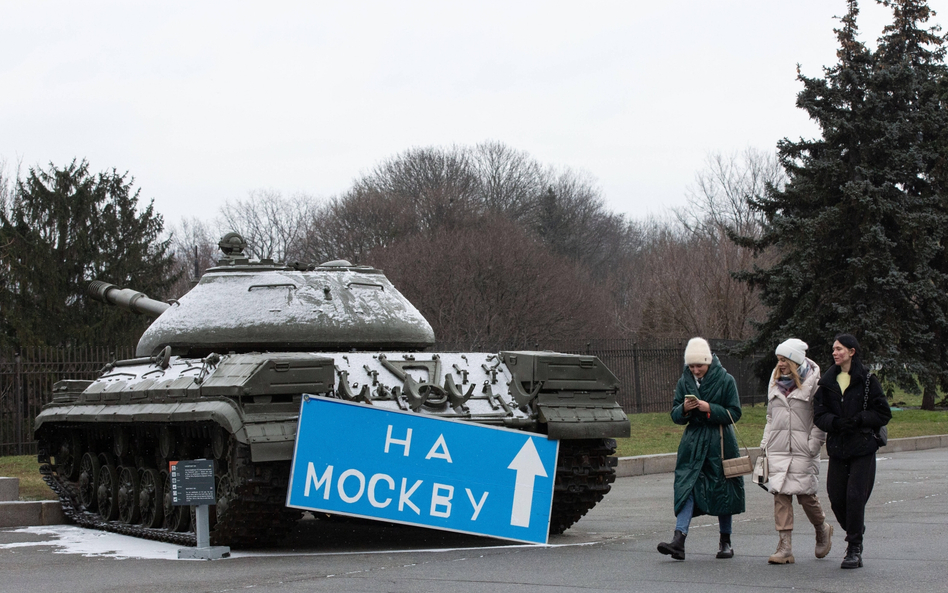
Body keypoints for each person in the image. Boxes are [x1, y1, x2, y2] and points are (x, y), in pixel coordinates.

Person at [658, 337, 745, 561]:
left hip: (721, 442)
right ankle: (679, 540)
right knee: (686, 486)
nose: (696, 370)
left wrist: (709, 408)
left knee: (723, 490)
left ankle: (725, 542)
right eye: (692, 366)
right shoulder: (683, 381)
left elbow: (734, 413)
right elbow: (675, 414)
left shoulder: (726, 380)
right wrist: (684, 409)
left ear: (709, 362)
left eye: (700, 365)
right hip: (693, 443)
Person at [813, 334, 891, 569]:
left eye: (839, 349)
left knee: (856, 496)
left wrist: (860, 419)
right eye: (833, 350)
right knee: (836, 497)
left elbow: (883, 413)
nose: (835, 353)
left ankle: (854, 547)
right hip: (838, 447)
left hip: (862, 447)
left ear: (852, 351)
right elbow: (818, 414)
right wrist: (835, 423)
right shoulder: (827, 382)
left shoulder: (867, 380)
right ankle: (855, 527)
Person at [760, 338, 833, 564]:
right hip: (778, 448)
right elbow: (771, 417)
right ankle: (785, 547)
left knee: (805, 495)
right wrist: (765, 445)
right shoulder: (775, 382)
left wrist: (813, 445)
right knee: (779, 495)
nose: (780, 364)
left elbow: (820, 418)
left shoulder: (815, 382)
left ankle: (822, 528)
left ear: (794, 360)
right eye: (779, 359)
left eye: (784, 360)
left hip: (803, 448)